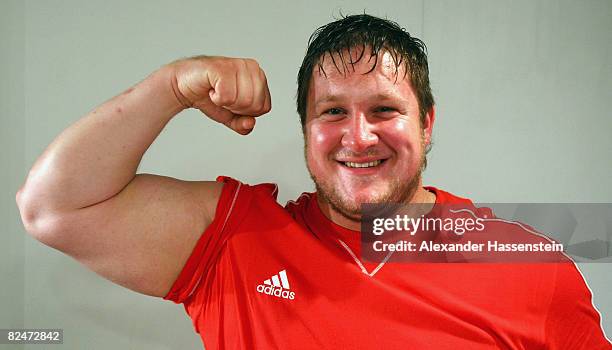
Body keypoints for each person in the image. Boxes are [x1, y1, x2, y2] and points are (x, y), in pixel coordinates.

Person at [16, 14, 610, 349]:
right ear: (305, 131)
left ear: (426, 124)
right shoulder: (234, 241)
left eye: (384, 110)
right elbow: (52, 207)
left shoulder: (531, 264)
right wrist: (171, 86)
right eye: (331, 112)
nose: (357, 137)